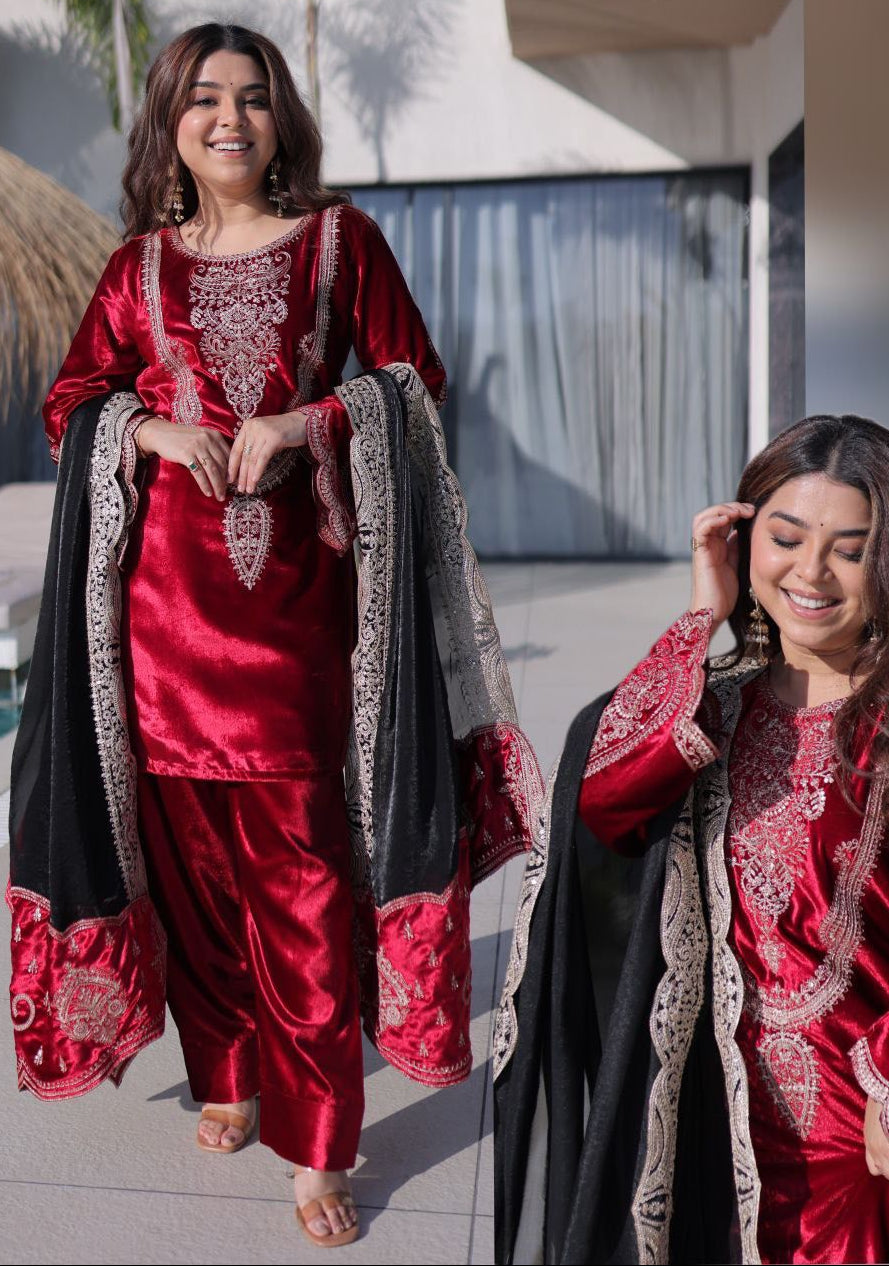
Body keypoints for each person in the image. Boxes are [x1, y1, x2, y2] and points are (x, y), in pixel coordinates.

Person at [8, 23, 540, 1249]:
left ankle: (317, 1140)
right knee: (193, 882)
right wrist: (145, 431)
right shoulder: (135, 268)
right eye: (204, 100)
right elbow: (71, 400)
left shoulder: (340, 244)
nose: (231, 120)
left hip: (298, 622)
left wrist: (306, 424)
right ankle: (230, 1073)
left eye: (253, 100)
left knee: (299, 881)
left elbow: (413, 378)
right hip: (154, 625)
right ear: (170, 124)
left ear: (282, 119)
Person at [494, 415, 889, 1264]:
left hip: (859, 1131)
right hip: (703, 1119)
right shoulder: (715, 702)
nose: (810, 573)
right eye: (784, 537)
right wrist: (703, 617)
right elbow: (602, 807)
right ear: (744, 537)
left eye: (850, 549)